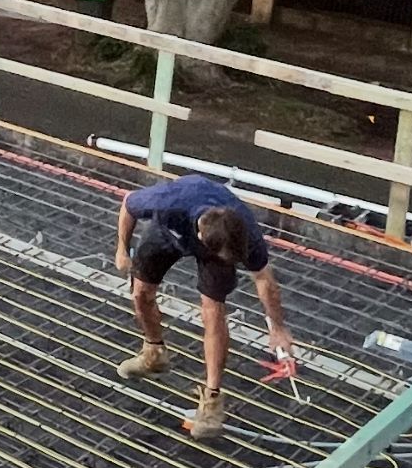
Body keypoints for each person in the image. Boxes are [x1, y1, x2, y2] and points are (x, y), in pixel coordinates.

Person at [113, 173, 295, 441]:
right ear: (201, 236)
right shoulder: (169, 203)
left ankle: (212, 398)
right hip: (169, 232)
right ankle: (154, 353)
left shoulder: (243, 230)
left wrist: (278, 327)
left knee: (212, 310)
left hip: (213, 241)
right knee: (141, 293)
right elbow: (129, 203)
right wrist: (121, 249)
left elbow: (264, 279)